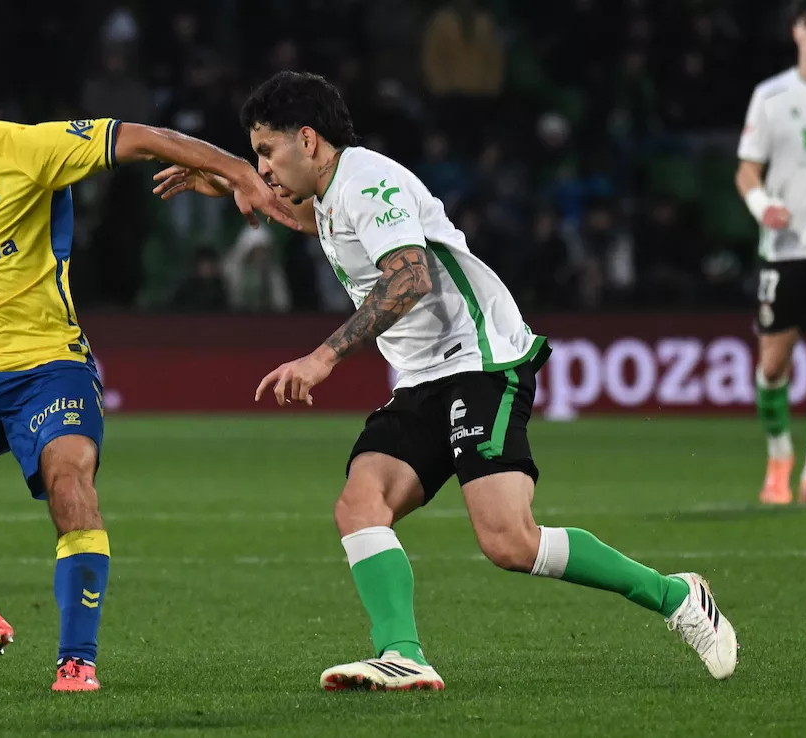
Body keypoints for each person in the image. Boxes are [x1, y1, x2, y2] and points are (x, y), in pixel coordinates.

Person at [152, 70, 737, 691]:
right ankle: (401, 653)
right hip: (423, 375)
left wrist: (322, 358)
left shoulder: (369, 182)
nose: (262, 166)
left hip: (479, 359)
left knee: (509, 541)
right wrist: (232, 184)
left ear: (309, 140)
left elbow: (409, 278)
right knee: (359, 504)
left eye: (266, 152)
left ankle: (675, 595)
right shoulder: (329, 195)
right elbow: (310, 221)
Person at [0, 42, 296, 692]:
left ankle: (76, 661)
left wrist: (239, 172)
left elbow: (140, 137)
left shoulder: (30, 150)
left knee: (69, 484)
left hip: (51, 371)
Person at [736, 0, 806, 505]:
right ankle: (778, 457)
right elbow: (746, 168)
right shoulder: (771, 97)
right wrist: (761, 203)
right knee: (773, 366)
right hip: (786, 249)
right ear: (795, 32)